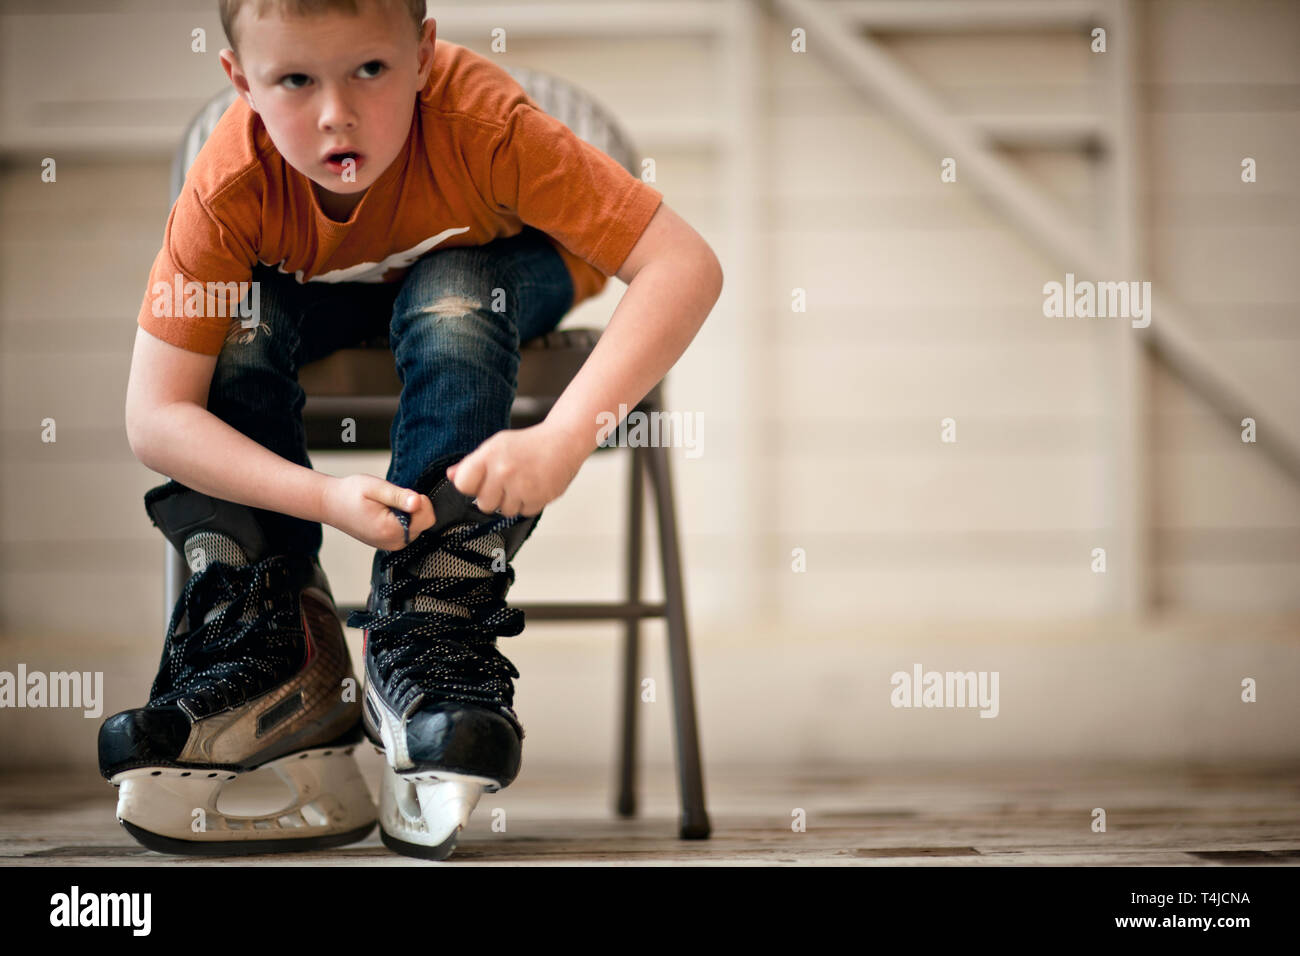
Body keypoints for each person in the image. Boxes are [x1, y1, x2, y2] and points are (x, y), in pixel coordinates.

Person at [98, 0, 722, 860]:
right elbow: (155, 414)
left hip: (503, 266)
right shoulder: (228, 186)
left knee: (453, 291)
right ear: (241, 82)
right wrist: (318, 496)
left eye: (370, 70)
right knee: (236, 324)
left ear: (423, 54)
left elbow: (686, 264)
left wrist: (563, 438)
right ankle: (280, 635)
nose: (336, 114)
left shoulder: (485, 124)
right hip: (314, 292)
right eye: (294, 80)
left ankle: (428, 616)